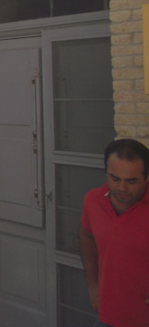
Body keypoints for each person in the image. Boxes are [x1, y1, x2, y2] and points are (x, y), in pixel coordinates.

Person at [79, 138, 149, 327]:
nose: (122, 188)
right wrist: (93, 284)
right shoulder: (92, 200)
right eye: (115, 178)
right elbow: (86, 236)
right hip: (108, 316)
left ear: (146, 177)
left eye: (131, 181)